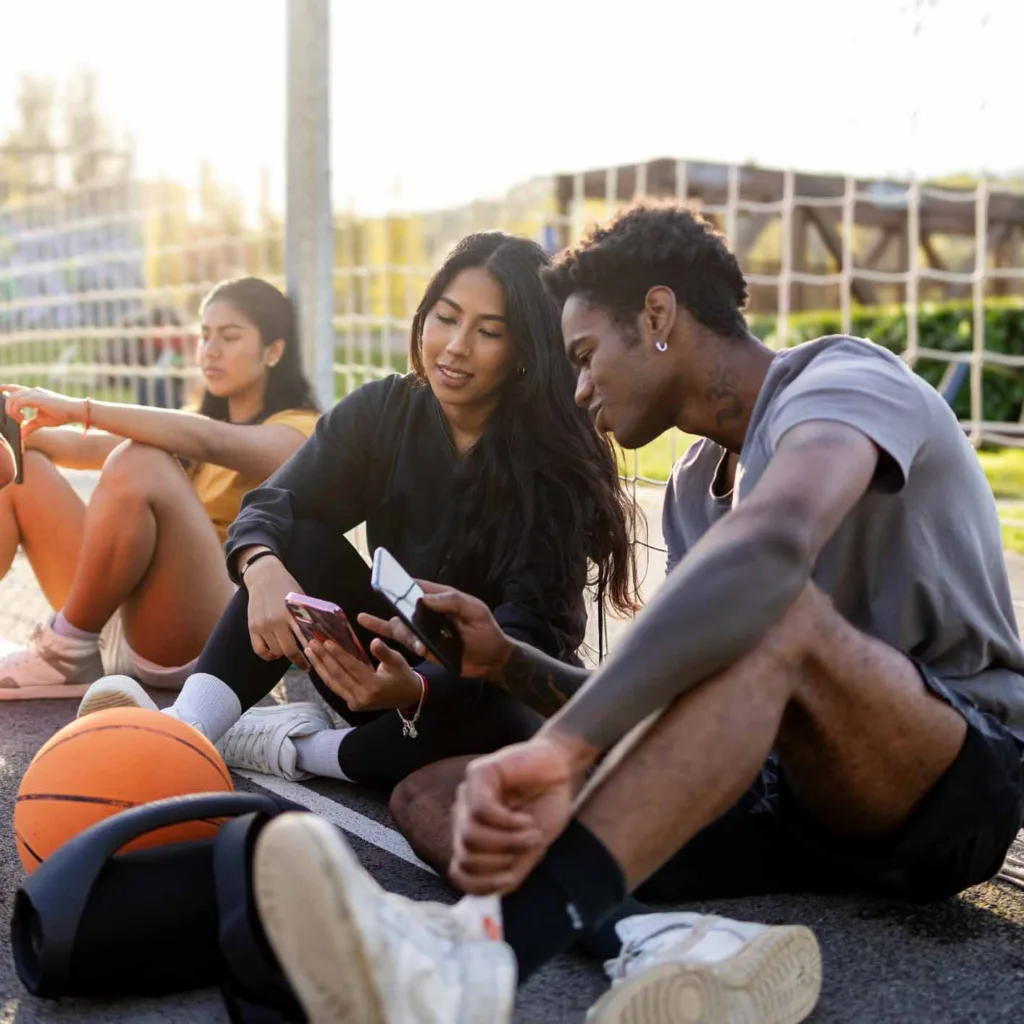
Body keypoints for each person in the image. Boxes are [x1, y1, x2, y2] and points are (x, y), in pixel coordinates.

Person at [240, 204, 1024, 1024]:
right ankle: (664, 943)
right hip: (786, 798)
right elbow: (674, 700)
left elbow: (775, 549)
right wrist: (506, 658)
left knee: (768, 612)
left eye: (584, 357)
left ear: (657, 317)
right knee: (443, 792)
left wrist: (566, 752)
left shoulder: (841, 381)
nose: (578, 391)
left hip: (950, 780)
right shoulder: (690, 486)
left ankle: (484, 957)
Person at [78, 232, 638, 796]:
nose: (455, 346)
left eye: (488, 332)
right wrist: (261, 567)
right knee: (294, 539)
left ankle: (294, 747)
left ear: (523, 351)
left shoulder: (551, 459)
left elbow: (526, 643)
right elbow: (274, 504)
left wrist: (417, 689)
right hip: (376, 663)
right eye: (445, 318)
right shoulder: (384, 411)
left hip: (483, 692)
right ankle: (186, 731)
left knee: (502, 731)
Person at [0, 277, 320, 699]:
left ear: (273, 351)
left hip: (199, 632)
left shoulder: (301, 431)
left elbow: (213, 440)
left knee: (143, 459)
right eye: (204, 336)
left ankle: (64, 651)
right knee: (23, 468)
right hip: (112, 618)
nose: (211, 350)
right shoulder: (190, 422)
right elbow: (76, 446)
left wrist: (80, 409)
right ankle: (72, 642)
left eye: (229, 336)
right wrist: (18, 422)